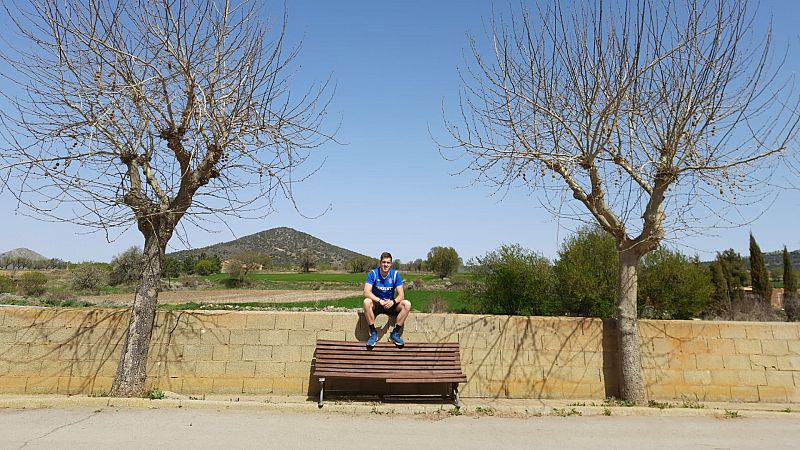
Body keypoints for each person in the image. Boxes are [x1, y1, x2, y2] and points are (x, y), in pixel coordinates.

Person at [363, 251, 411, 348]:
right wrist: (379, 300)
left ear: (391, 264)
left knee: (407, 304)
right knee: (366, 302)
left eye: (388, 262)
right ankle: (373, 333)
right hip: (377, 304)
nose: (386, 264)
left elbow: (401, 295)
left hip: (390, 304)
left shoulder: (395, 274)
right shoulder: (373, 273)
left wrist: (393, 302)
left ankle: (395, 334)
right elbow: (366, 292)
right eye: (384, 262)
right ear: (380, 263)